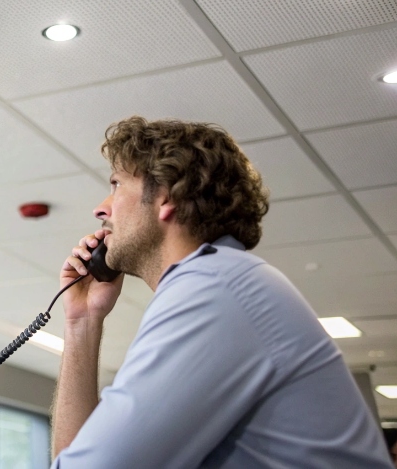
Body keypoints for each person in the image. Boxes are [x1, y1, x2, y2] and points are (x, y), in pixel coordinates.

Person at [51, 116, 392, 468]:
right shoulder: (221, 280)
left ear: (166, 196)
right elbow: (79, 459)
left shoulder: (213, 287)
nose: (101, 208)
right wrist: (82, 321)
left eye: (116, 184)